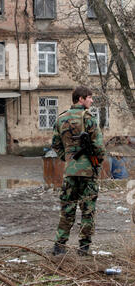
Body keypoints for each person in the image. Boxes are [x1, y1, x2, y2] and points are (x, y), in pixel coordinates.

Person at [51, 86, 106, 256]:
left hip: (70, 172)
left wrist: (68, 159)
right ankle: (83, 248)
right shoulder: (88, 118)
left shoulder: (61, 119)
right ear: (80, 99)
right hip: (88, 173)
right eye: (89, 98)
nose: (91, 101)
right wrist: (97, 162)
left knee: (67, 209)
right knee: (87, 211)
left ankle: (59, 246)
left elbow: (56, 144)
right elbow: (98, 146)